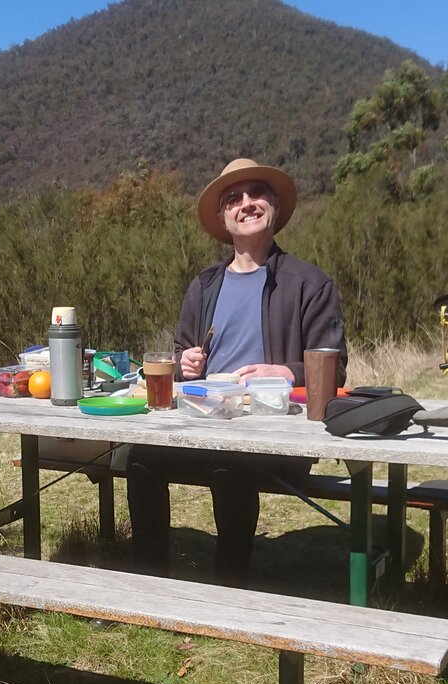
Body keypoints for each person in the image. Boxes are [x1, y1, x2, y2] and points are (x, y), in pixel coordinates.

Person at [127, 158, 347, 587]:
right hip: (207, 419)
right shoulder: (204, 286)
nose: (246, 203)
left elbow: (335, 364)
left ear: (275, 208)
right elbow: (180, 355)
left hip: (274, 433)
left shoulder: (310, 284)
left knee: (231, 464)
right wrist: (187, 363)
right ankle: (148, 583)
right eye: (233, 198)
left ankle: (229, 588)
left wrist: (284, 370)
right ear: (222, 218)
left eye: (256, 194)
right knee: (141, 457)